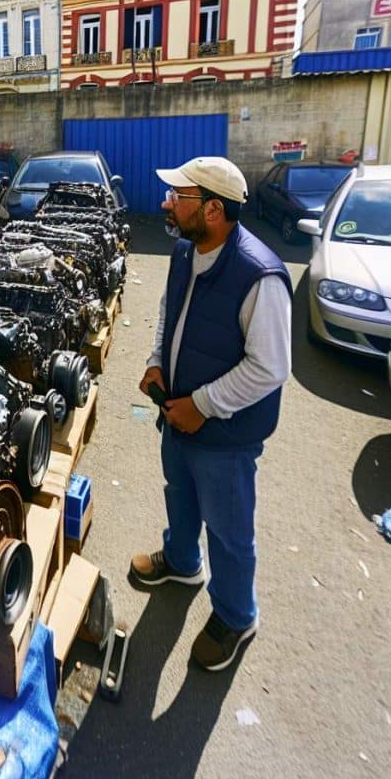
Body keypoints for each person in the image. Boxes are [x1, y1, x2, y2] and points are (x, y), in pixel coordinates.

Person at [129, 156, 292, 671]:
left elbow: (270, 368)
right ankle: (181, 563)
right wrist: (157, 363)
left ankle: (236, 616)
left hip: (225, 434)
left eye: (178, 197)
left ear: (214, 209)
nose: (166, 203)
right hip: (175, 414)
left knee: (228, 528)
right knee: (179, 495)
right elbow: (167, 314)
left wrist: (201, 406)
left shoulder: (259, 276)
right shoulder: (184, 252)